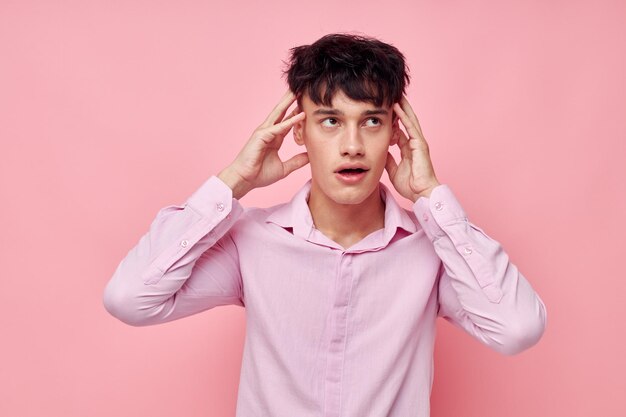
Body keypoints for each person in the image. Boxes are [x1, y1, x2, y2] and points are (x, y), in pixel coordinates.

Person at [103, 33, 547, 417]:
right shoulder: (252, 243)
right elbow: (130, 300)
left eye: (371, 121)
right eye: (330, 121)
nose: (352, 146)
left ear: (397, 131)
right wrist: (233, 182)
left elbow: (516, 329)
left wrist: (432, 200)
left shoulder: (432, 251)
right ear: (299, 131)